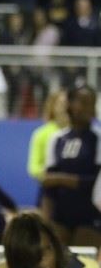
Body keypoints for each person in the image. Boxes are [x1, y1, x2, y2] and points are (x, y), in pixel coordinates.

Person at [40, 82, 101, 247]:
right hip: (60, 214)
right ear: (70, 104)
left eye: (92, 103)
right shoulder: (57, 138)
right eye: (83, 102)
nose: (88, 108)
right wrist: (45, 221)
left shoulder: (97, 138)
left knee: (83, 264)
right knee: (59, 264)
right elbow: (47, 184)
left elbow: (96, 181)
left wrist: (61, 179)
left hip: (90, 215)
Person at [27, 89, 68, 183]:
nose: (65, 108)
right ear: (53, 107)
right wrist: (53, 176)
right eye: (62, 104)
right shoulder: (41, 134)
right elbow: (33, 167)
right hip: (50, 187)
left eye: (68, 103)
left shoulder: (81, 131)